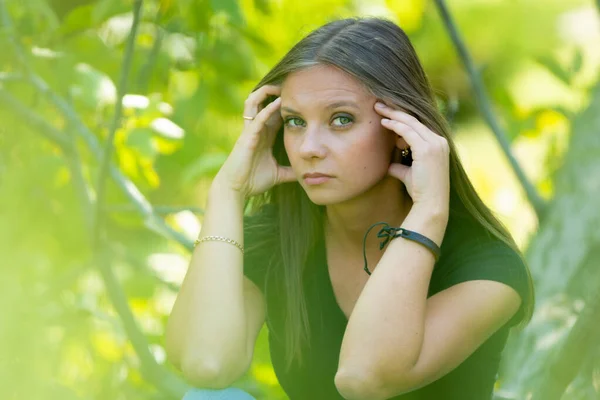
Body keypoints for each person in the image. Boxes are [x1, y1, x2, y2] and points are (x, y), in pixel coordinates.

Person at [165, 16, 535, 400]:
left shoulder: (488, 267)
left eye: (341, 120)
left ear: (401, 130)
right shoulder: (282, 235)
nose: (309, 148)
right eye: (294, 121)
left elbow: (362, 378)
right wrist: (227, 191)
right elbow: (207, 363)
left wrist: (429, 212)